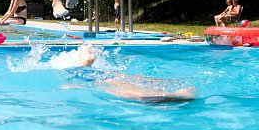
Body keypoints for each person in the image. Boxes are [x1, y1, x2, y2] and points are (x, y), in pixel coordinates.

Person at [63, 46, 196, 103]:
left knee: (110, 81)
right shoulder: (78, 73)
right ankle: (86, 59)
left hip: (96, 76)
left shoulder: (77, 73)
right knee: (114, 80)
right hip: (99, 76)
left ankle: (86, 60)